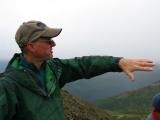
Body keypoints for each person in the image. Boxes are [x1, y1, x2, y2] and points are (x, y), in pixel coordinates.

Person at [0, 20, 155, 120]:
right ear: (31, 46)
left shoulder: (53, 69)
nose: (53, 44)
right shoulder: (8, 86)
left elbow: (84, 65)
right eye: (48, 41)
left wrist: (117, 62)